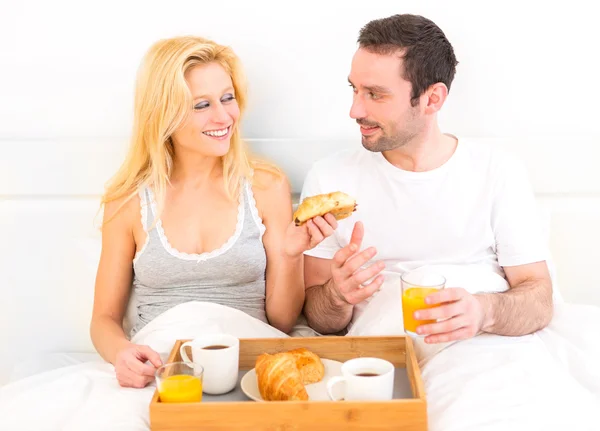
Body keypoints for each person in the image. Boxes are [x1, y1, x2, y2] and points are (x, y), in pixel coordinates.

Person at [89, 36, 336, 389]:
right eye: (201, 105)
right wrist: (122, 354)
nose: (223, 116)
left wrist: (290, 254)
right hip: (164, 369)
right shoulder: (127, 200)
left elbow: (280, 321)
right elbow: (103, 319)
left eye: (227, 98)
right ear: (164, 114)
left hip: (245, 361)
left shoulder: (266, 186)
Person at [301, 14, 554, 342]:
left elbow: (539, 299)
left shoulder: (497, 172)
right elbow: (320, 320)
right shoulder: (330, 179)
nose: (355, 110)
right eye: (355, 89)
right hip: (388, 354)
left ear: (432, 99)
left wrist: (483, 311)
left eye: (375, 94)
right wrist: (337, 294)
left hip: (483, 347)